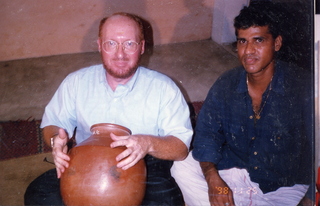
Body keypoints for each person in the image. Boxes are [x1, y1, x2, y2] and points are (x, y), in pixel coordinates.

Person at [24, 12, 193, 206]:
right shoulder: (77, 82)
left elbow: (180, 148)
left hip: (146, 165)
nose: (120, 54)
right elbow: (53, 123)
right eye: (111, 43)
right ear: (99, 46)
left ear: (142, 47)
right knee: (38, 195)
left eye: (129, 44)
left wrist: (147, 143)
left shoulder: (164, 88)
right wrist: (56, 139)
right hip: (85, 163)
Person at [171, 1, 314, 206]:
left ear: (277, 43)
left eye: (258, 40)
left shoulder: (303, 87)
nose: (248, 51)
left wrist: (308, 200)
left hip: (282, 187)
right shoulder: (227, 83)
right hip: (233, 175)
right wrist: (212, 178)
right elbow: (207, 134)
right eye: (242, 41)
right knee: (181, 166)